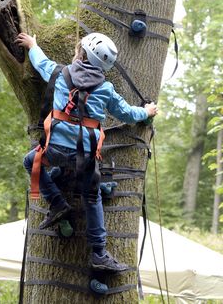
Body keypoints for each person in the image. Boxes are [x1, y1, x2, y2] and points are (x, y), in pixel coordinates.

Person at [16, 32, 158, 272]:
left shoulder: (60, 73)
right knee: (92, 199)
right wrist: (147, 112)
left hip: (54, 150)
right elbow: (127, 113)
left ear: (80, 54)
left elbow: (40, 62)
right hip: (85, 157)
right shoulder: (106, 89)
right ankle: (99, 253)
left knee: (31, 162)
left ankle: (57, 202)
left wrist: (33, 45)